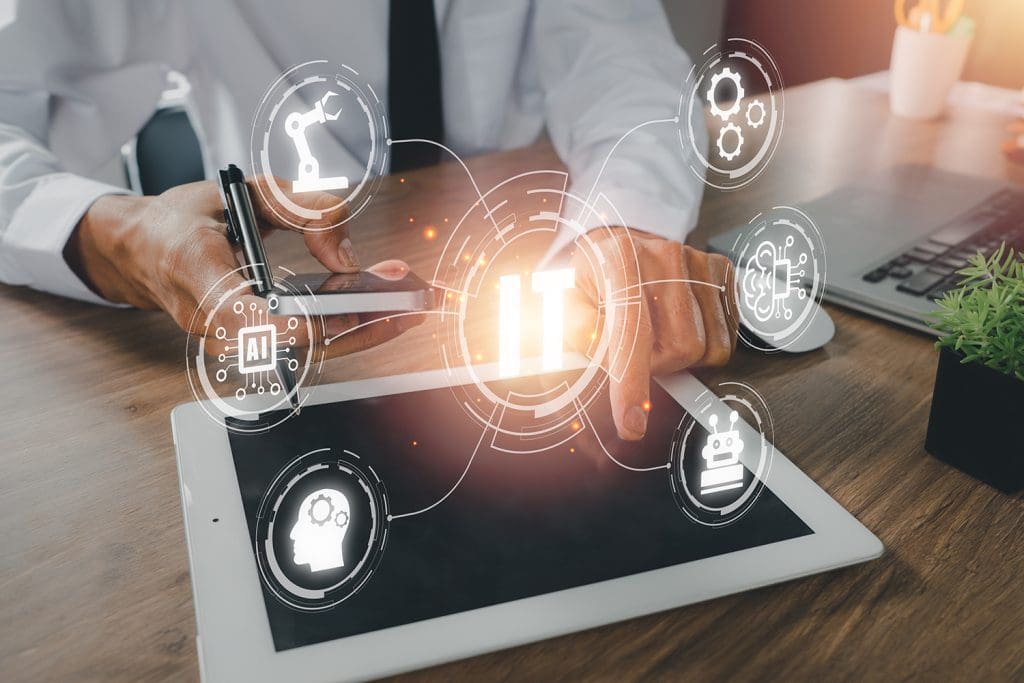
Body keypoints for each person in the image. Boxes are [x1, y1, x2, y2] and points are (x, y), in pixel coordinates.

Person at [0, 0, 735, 441]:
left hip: (520, 265)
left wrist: (622, 222)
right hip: (285, 339)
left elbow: (624, 62)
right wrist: (117, 236)